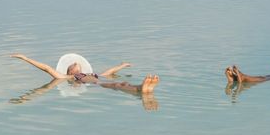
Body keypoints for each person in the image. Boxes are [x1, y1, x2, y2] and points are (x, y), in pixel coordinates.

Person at [10, 54, 159, 94]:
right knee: (118, 84)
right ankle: (139, 89)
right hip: (96, 84)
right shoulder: (69, 77)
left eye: (77, 64)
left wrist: (121, 66)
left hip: (99, 81)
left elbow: (107, 73)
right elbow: (47, 68)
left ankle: (140, 89)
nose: (76, 64)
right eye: (72, 66)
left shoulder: (91, 73)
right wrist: (25, 58)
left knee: (119, 84)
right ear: (70, 72)